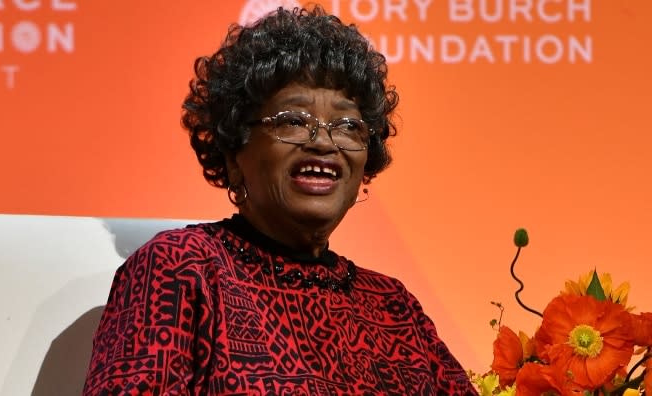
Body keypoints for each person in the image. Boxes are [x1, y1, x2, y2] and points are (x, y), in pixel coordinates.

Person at [83, 6, 477, 395]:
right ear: (235, 152)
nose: (322, 142)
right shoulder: (184, 269)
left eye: (347, 126)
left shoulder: (394, 307)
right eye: (293, 121)